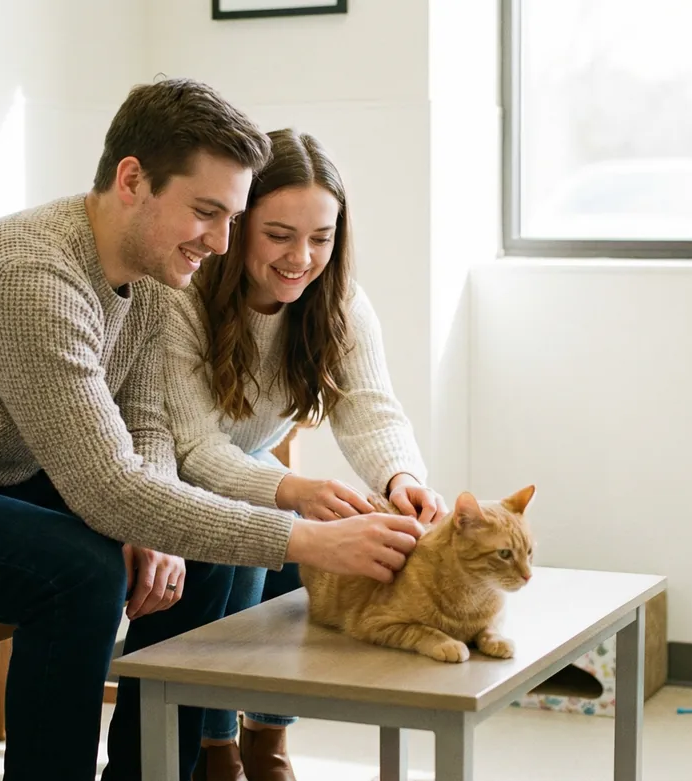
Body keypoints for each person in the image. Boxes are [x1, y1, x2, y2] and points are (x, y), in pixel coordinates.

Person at [0, 80, 426, 781]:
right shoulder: (31, 278)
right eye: (206, 213)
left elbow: (145, 427)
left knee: (198, 552)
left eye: (231, 218)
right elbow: (106, 486)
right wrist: (306, 538)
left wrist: (156, 529)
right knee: (78, 572)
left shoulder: (153, 276)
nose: (219, 242)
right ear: (133, 181)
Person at [162, 128, 448, 781]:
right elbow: (193, 448)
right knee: (270, 532)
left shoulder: (338, 299)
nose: (302, 257)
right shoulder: (186, 296)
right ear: (239, 224)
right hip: (167, 470)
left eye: (322, 237)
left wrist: (402, 477)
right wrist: (294, 492)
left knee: (313, 527)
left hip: (247, 467)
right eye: (280, 234)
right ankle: (216, 749)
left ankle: (268, 736)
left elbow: (370, 406)